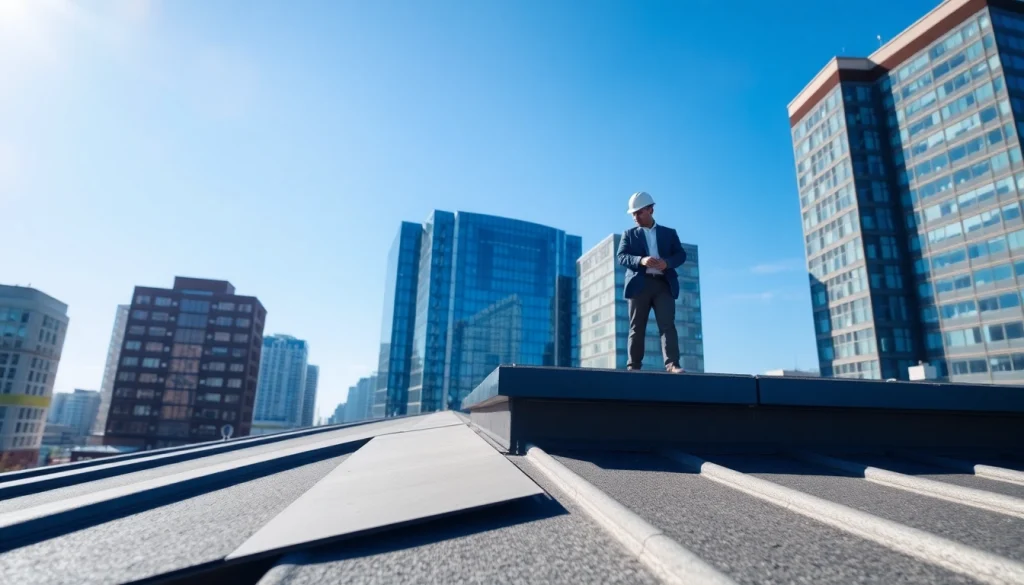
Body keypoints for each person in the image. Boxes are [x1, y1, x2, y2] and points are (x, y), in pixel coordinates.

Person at [616, 191, 687, 373]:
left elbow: (680, 255)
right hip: (639, 285)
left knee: (667, 325)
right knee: (636, 327)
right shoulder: (629, 235)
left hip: (663, 284)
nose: (635, 217)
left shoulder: (669, 234)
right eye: (633, 214)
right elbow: (621, 257)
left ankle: (672, 364)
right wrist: (641, 260)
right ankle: (634, 367)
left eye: (639, 212)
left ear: (651, 210)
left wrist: (667, 263)